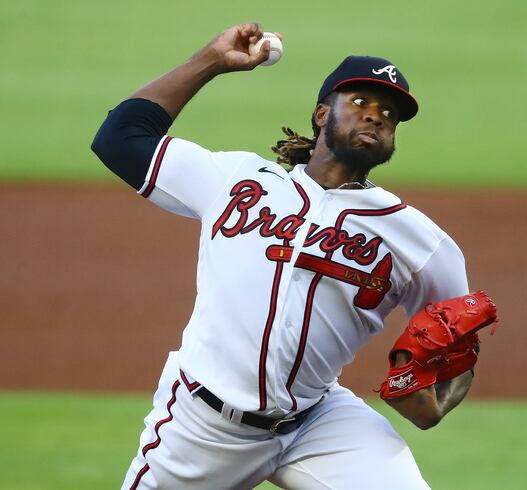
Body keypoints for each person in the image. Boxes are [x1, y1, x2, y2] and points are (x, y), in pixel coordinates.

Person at [92, 23, 474, 490]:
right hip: (203, 426)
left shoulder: (418, 240)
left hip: (320, 424)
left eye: (389, 113)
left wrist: (439, 397)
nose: (376, 116)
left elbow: (458, 338)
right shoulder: (236, 179)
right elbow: (119, 137)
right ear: (320, 114)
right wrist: (211, 61)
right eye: (360, 102)